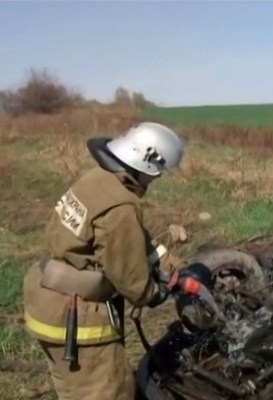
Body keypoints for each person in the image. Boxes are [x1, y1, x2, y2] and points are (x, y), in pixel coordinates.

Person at [23, 122, 199, 400]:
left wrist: (166, 262)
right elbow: (132, 280)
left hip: (46, 294)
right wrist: (157, 292)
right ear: (146, 162)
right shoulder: (121, 207)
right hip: (76, 317)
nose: (157, 179)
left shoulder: (98, 180)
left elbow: (130, 239)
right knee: (108, 391)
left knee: (73, 388)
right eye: (158, 172)